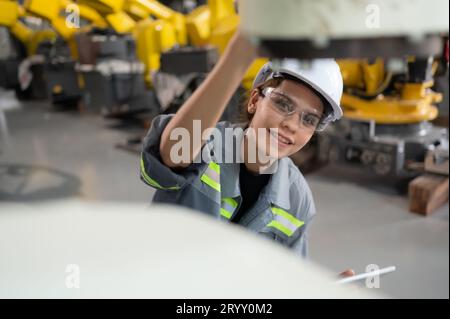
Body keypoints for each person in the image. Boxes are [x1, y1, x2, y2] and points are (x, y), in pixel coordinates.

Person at [140, 31, 344, 260]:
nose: (292, 125)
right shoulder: (206, 143)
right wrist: (239, 53)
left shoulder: (297, 198)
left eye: (308, 119)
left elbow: (283, 282)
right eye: (283, 104)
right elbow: (172, 152)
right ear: (255, 101)